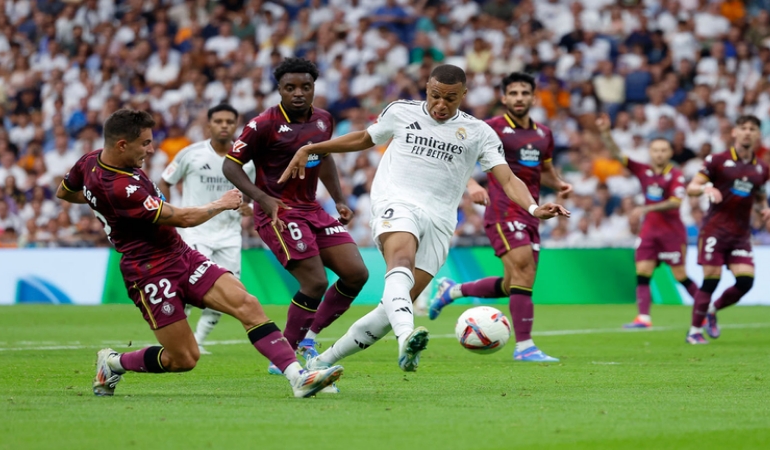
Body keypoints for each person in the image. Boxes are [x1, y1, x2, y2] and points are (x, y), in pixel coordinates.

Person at [278, 64, 569, 373]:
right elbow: (365, 138)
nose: (441, 105)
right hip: (397, 201)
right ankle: (407, 339)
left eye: (450, 99)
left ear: (463, 96)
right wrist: (314, 148)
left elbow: (508, 179)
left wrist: (534, 208)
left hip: (441, 220)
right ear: (427, 90)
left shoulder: (479, 132)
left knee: (391, 307)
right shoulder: (401, 112)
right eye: (435, 96)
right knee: (400, 259)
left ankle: (322, 362)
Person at [56, 109, 342, 398]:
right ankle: (114, 362)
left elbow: (65, 192)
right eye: (144, 143)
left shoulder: (89, 161)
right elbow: (183, 218)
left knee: (247, 304)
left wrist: (98, 204)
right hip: (148, 270)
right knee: (183, 358)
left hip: (181, 254)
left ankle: (298, 378)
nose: (151, 149)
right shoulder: (118, 188)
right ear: (121, 145)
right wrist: (222, 202)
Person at [222, 58, 369, 375]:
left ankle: (308, 338)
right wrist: (262, 198)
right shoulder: (263, 124)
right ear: (279, 90)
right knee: (315, 282)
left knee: (356, 273)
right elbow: (230, 166)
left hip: (313, 209)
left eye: (305, 86)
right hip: (279, 212)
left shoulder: (323, 119)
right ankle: (284, 357)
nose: (299, 93)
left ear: (314, 87)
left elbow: (325, 156)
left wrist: (339, 200)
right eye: (291, 88)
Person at [427, 72, 573, 362]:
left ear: (533, 97)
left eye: (524, 93)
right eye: (513, 93)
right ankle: (525, 346)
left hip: (532, 211)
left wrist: (558, 184)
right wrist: (471, 184)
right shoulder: (489, 127)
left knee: (513, 283)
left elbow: (544, 170)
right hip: (504, 209)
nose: (519, 98)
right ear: (504, 98)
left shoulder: (544, 134)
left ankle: (452, 290)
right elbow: (459, 156)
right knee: (524, 271)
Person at [158, 104, 255, 355]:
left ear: (236, 125)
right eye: (219, 121)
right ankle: (177, 339)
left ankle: (198, 341)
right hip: (195, 230)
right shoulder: (190, 154)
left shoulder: (247, 159)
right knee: (190, 286)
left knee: (230, 291)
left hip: (229, 234)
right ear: (209, 125)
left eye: (229, 122)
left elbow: (253, 194)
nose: (224, 125)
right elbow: (165, 182)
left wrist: (250, 207)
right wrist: (173, 213)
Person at [595, 113, 700, 329]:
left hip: (671, 232)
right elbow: (617, 154)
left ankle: (705, 310)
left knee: (680, 276)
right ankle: (643, 318)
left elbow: (676, 202)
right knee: (643, 272)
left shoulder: (676, 174)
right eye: (655, 150)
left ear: (670, 153)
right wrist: (606, 132)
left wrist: (645, 208)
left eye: (663, 150)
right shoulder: (643, 170)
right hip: (650, 231)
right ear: (650, 152)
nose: (659, 154)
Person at [684, 115, 770, 344]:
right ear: (734, 132)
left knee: (745, 281)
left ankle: (713, 311)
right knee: (712, 279)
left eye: (752, 129)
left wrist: (766, 210)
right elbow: (691, 187)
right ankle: (694, 331)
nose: (747, 132)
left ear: (758, 134)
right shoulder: (717, 160)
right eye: (743, 128)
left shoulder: (761, 168)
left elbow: (760, 197)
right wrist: (707, 187)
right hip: (715, 230)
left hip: (740, 235)